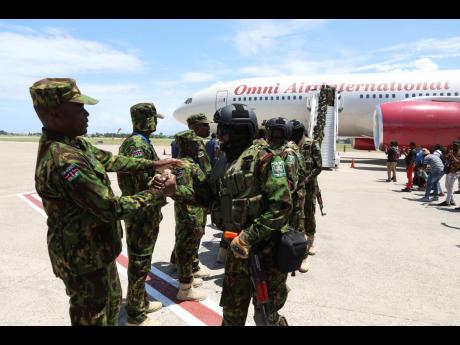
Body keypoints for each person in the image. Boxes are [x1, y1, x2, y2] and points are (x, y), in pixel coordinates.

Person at [30, 78, 180, 326]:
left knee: (110, 310)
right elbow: (110, 207)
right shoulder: (65, 160)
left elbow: (111, 161)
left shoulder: (74, 144)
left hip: (96, 251)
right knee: (94, 317)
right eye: (79, 108)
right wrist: (158, 194)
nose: (86, 114)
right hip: (83, 259)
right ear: (55, 113)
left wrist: (153, 164)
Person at [161, 104, 292, 326]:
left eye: (223, 132)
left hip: (266, 250)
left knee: (267, 316)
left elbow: (281, 207)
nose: (218, 138)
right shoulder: (224, 161)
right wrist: (175, 191)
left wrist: (249, 236)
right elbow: (206, 197)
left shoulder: (267, 159)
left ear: (241, 132)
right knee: (231, 315)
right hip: (236, 251)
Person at [117, 103, 166, 326]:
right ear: (147, 119)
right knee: (139, 262)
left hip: (145, 210)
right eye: (154, 118)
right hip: (141, 212)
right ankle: (136, 314)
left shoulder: (140, 142)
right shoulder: (137, 144)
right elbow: (138, 180)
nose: (156, 123)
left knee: (142, 260)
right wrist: (161, 181)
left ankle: (139, 300)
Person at [170, 130, 209, 301]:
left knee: (189, 248)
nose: (198, 145)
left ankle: (189, 280)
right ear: (185, 145)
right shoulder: (183, 165)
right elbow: (181, 192)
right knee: (185, 248)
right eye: (194, 143)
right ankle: (185, 289)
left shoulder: (190, 162)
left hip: (195, 213)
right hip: (189, 214)